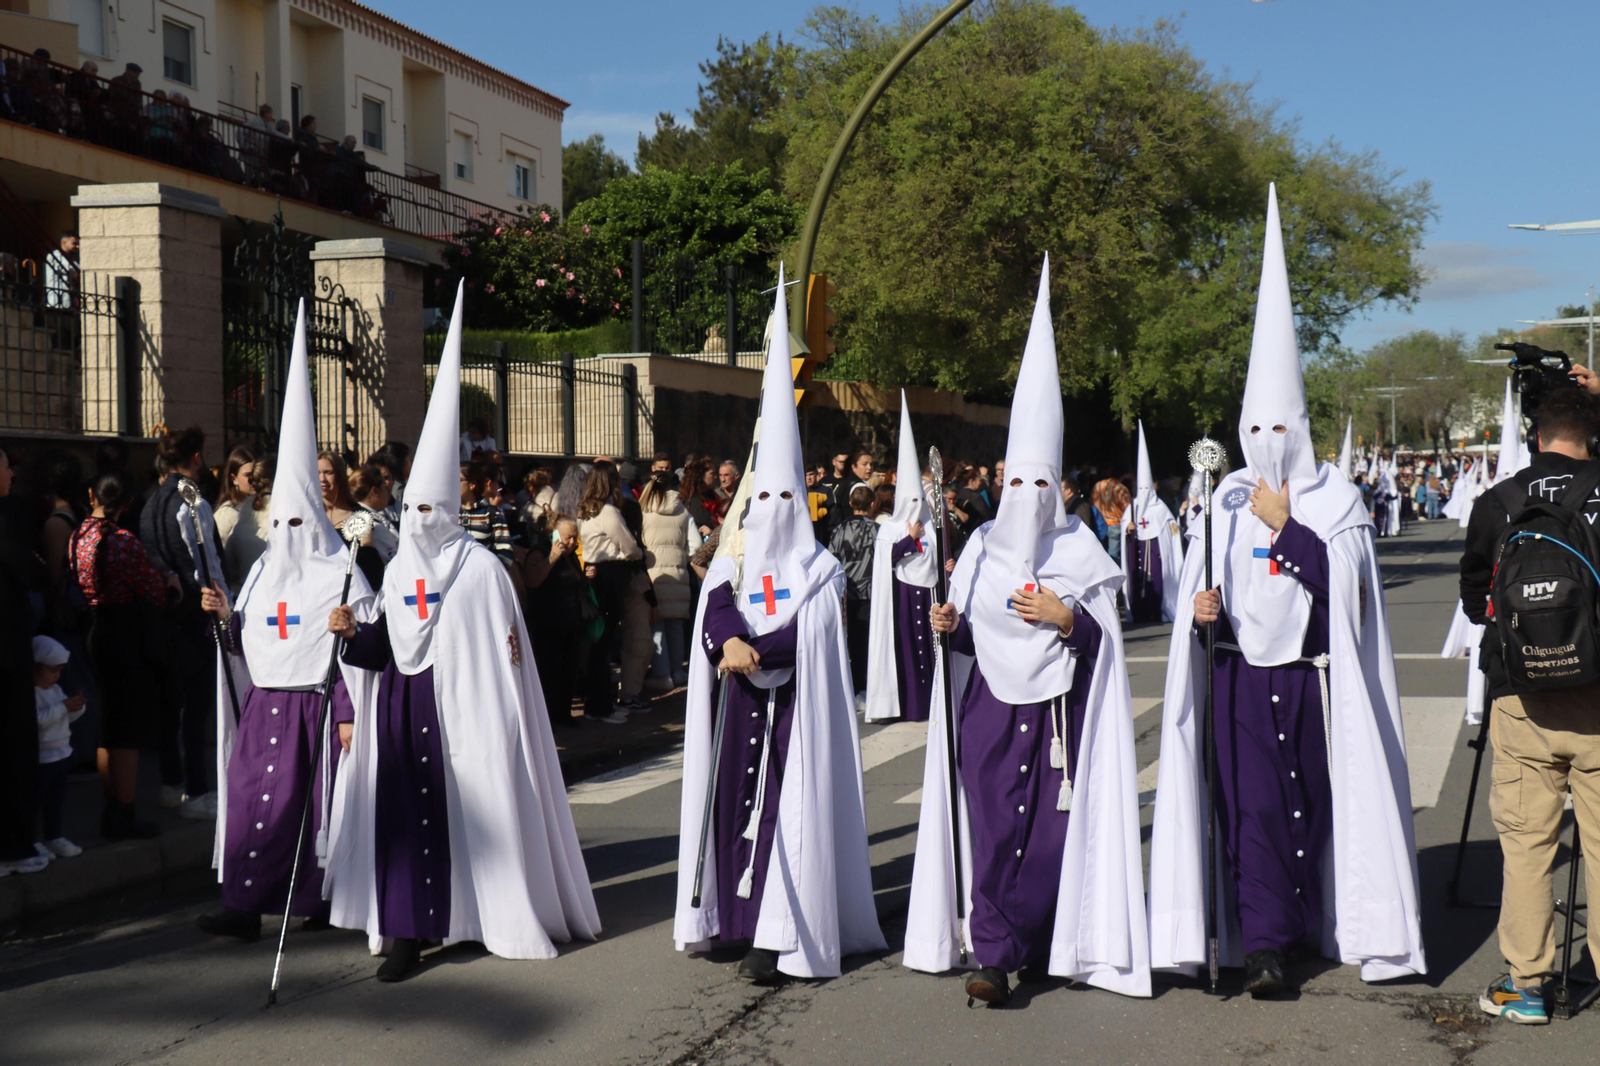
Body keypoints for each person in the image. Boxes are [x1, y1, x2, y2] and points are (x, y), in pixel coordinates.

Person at [1149, 186, 1425, 998]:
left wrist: (1289, 527)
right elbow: (1200, 580)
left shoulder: (1337, 498)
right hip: (1239, 676)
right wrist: (1197, 614)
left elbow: (1352, 598)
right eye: (1256, 430)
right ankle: (1263, 943)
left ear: (1301, 429)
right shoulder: (1224, 495)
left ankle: (1310, 923)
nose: (1269, 445)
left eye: (1283, 430)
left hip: (1313, 681)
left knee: (1314, 806)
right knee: (1254, 812)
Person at [324, 288, 599, 982]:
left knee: (465, 815)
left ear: (449, 507)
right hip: (402, 711)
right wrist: (351, 633)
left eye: (428, 508)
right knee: (404, 819)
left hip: (461, 718)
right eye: (408, 507)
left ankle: (481, 913)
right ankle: (407, 933)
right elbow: (383, 646)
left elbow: (506, 657)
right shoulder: (395, 572)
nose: (416, 520)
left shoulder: (481, 572)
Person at [905, 257, 1149, 1005]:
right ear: (1002, 480)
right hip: (988, 709)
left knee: (1045, 838)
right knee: (990, 828)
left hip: (1058, 720)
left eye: (1041, 485)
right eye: (1017, 484)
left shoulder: (1079, 550)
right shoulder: (975, 548)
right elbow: (970, 636)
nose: (1028, 497)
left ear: (1057, 487)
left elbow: (1104, 644)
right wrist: (947, 626)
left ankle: (1042, 941)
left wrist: (1066, 616)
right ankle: (993, 955)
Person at [673, 269, 884, 983]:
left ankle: (780, 931)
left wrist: (751, 649)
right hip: (740, 710)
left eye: (783, 497)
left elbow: (814, 633)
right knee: (734, 804)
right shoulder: (734, 565)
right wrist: (727, 641)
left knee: (783, 814)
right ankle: (733, 922)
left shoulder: (820, 571)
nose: (770, 509)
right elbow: (718, 606)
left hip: (793, 712)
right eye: (760, 497)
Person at [194, 307, 379, 941]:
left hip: (319, 710)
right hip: (265, 706)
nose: (291, 533)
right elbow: (247, 636)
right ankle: (243, 907)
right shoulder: (265, 570)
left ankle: (316, 902)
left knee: (309, 807)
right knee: (253, 804)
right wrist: (226, 617)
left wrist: (351, 704)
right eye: (284, 522)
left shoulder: (345, 568)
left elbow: (367, 641)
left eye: (302, 521)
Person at [1459, 380, 1600, 1024]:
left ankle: (1530, 984)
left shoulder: (1499, 500)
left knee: (1527, 844)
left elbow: (1473, 600)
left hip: (1522, 699)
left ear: (1535, 436)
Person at [74, 471, 177, 839]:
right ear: (128, 504)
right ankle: (125, 810)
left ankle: (112, 808)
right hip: (125, 634)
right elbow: (154, 591)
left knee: (108, 726)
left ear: (91, 494)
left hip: (95, 629)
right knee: (127, 731)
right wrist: (170, 582)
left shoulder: (78, 537)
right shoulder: (124, 542)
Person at [139, 426, 222, 819]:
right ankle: (197, 789)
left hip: (163, 613)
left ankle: (171, 785)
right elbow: (207, 562)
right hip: (194, 611)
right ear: (196, 458)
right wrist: (221, 602)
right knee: (196, 702)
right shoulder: (192, 501)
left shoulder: (152, 501)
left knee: (170, 703)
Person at [864, 399, 938, 723]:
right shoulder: (889, 528)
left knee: (930, 651)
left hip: (929, 595)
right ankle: (909, 705)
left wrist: (947, 565)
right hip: (903, 599)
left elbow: (939, 553)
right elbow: (885, 562)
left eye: (918, 500)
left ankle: (934, 701)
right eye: (909, 500)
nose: (914, 505)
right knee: (909, 652)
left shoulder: (931, 526)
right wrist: (908, 538)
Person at [578, 464, 651, 721]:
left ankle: (599, 702)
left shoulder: (585, 510)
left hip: (594, 571)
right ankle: (600, 708)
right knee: (604, 643)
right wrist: (637, 555)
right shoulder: (608, 512)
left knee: (600, 642)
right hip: (610, 575)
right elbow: (629, 545)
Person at [521, 516, 590, 731]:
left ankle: (563, 714)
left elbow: (576, 584)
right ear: (555, 533)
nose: (572, 542)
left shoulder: (570, 557)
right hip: (548, 622)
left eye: (575, 538)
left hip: (571, 621)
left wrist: (587, 578)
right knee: (549, 671)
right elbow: (532, 579)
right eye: (568, 537)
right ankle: (547, 719)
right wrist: (550, 560)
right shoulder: (541, 551)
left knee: (569, 669)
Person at [1122, 422, 1183, 623]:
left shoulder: (1161, 509)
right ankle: (1138, 612)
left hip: (1156, 552)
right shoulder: (1133, 507)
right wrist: (1127, 528)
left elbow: (1172, 532)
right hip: (1138, 551)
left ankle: (1156, 611)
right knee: (1138, 581)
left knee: (1156, 580)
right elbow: (1123, 526)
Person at [33, 635, 86, 862]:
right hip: (41, 757)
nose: (56, 676)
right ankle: (32, 840)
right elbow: (39, 720)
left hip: (61, 754)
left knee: (56, 800)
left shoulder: (55, 691)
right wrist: (63, 708)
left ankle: (53, 836)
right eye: (52, 671)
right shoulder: (31, 693)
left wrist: (74, 708)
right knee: (36, 801)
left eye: (59, 671)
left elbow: (65, 717)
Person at [640, 470, 695, 690]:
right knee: (676, 625)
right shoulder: (684, 512)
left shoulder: (643, 510)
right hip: (678, 576)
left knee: (657, 626)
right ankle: (678, 671)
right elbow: (696, 547)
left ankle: (662, 675)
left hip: (652, 575)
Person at [828, 484, 877, 707]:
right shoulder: (877, 530)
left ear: (850, 503)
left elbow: (831, 560)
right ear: (873, 504)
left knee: (850, 643)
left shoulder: (838, 530)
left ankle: (852, 688)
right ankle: (865, 688)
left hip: (847, 593)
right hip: (871, 592)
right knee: (867, 643)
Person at [225, 456, 274, 592]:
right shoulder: (287, 514)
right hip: (274, 594)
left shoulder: (242, 518)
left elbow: (228, 562)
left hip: (246, 592)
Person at [458, 461, 515, 568]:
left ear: (472, 485)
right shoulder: (448, 513)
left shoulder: (492, 513)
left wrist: (489, 574)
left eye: (459, 480)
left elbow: (505, 552)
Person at [213, 446, 256, 548]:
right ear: (233, 479)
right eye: (248, 475)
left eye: (256, 474)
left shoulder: (260, 507)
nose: (253, 479)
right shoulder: (227, 514)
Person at [1092, 472, 1131, 565]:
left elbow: (1092, 502)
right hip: (1115, 524)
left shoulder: (1098, 485)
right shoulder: (1121, 489)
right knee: (1113, 555)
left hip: (1098, 523)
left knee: (1099, 552)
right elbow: (1127, 509)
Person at [44, 232, 78, 311]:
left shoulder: (71, 258)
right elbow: (72, 268)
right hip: (56, 301)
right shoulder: (54, 255)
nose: (77, 246)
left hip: (68, 301)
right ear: (64, 243)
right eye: (74, 243)